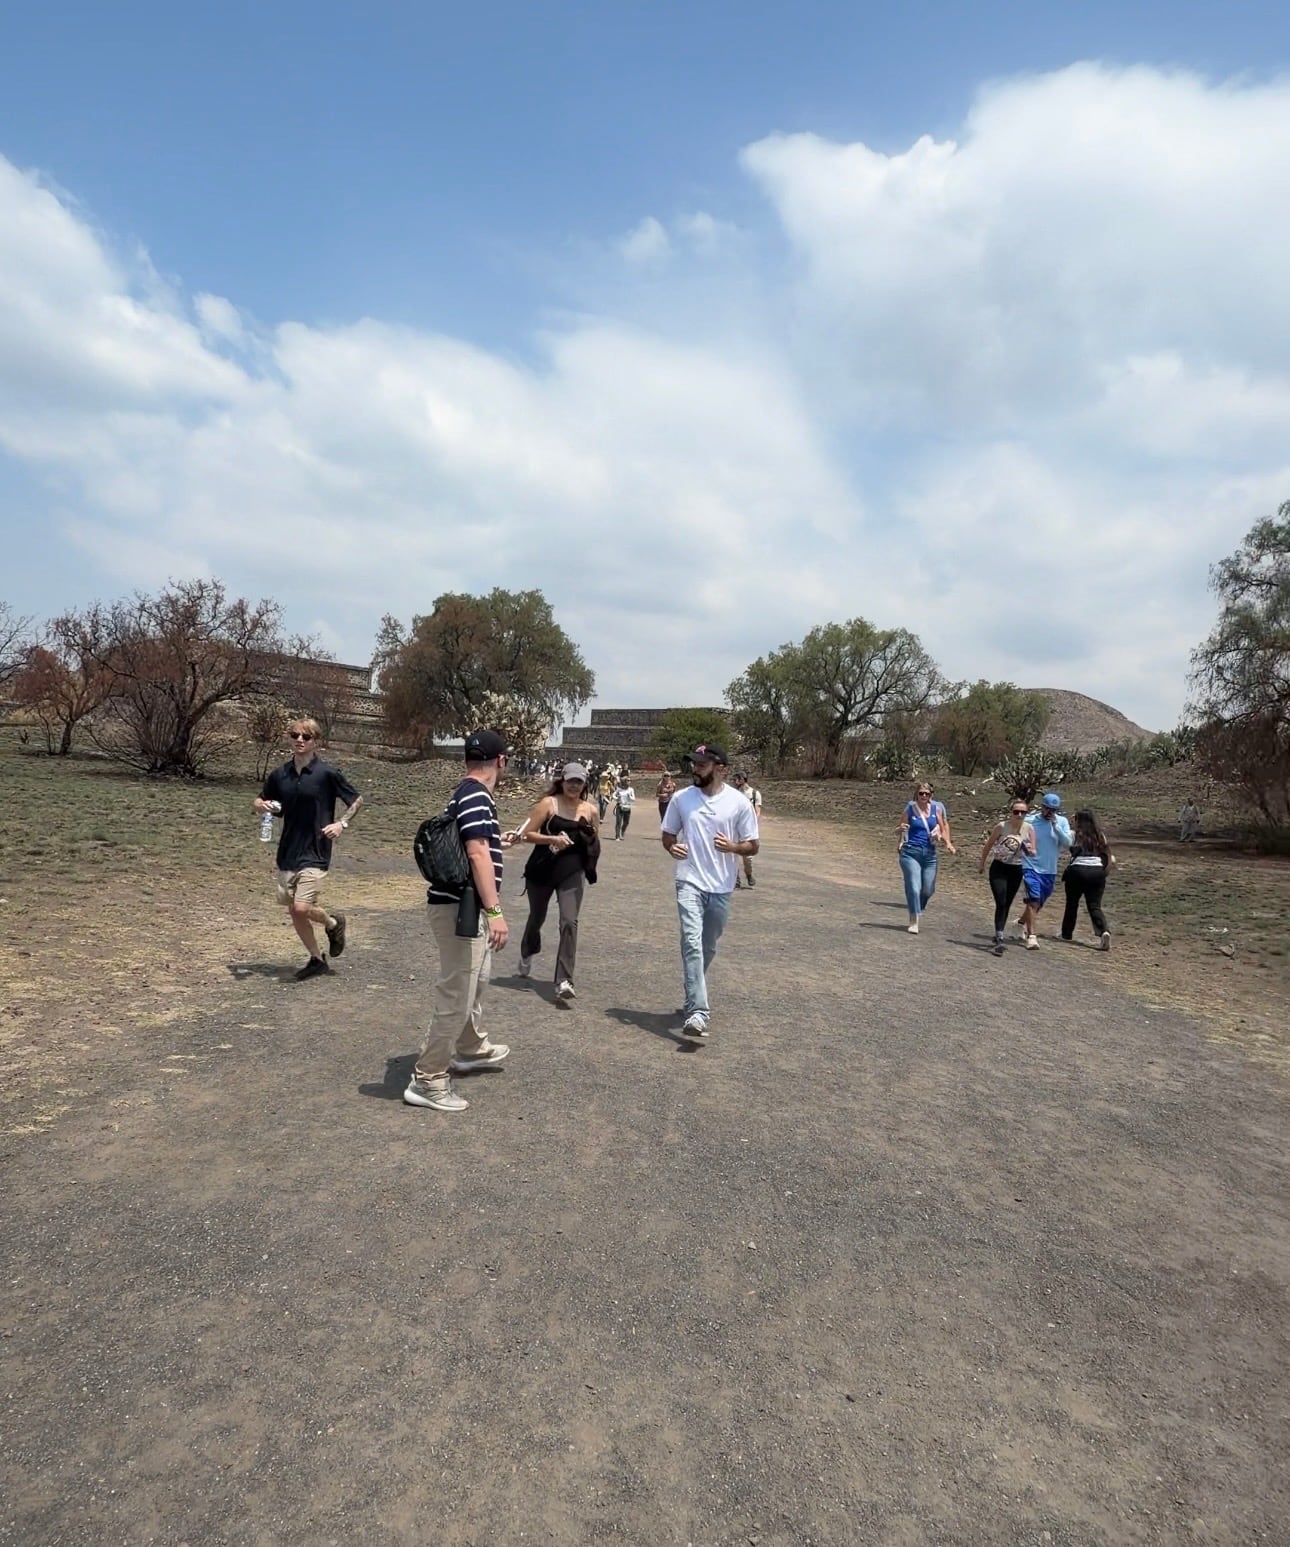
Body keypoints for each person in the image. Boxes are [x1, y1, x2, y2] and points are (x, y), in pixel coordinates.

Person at [404, 729, 516, 1113]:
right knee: (458, 992)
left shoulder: (464, 793)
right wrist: (496, 910)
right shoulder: (476, 796)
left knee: (477, 978)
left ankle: (470, 1046)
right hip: (460, 909)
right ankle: (429, 1078)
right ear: (501, 761)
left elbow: (480, 844)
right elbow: (477, 851)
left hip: (461, 907)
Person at [660, 743, 759, 1040]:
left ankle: (692, 994)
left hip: (722, 886)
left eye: (702, 765)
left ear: (721, 769)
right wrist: (671, 847)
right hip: (689, 879)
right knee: (691, 942)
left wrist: (733, 847)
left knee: (708, 946)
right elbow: (667, 835)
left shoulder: (738, 803)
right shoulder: (681, 799)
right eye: (694, 764)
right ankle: (699, 1012)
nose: (695, 769)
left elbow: (753, 845)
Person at [255, 717, 362, 981]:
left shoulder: (327, 774)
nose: (299, 740)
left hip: (316, 850)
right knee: (294, 909)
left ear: (316, 742)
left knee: (301, 908)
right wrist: (261, 806)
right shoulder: (280, 775)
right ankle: (320, 952)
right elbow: (260, 799)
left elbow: (357, 799)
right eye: (295, 735)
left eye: (306, 736)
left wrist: (341, 823)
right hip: (288, 852)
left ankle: (330, 926)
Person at [517, 762, 601, 1002]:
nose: (574, 786)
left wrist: (589, 866)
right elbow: (527, 834)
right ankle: (527, 950)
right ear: (562, 781)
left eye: (579, 782)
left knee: (569, 922)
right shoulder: (548, 804)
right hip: (542, 868)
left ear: (585, 784)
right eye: (570, 781)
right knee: (537, 917)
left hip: (571, 872)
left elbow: (594, 842)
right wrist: (551, 838)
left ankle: (564, 979)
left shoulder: (590, 810)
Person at [978, 799, 1037, 955]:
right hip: (999, 868)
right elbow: (988, 845)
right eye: (1016, 812)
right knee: (1001, 900)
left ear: (1026, 814)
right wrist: (982, 863)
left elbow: (1033, 851)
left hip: (1016, 869)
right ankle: (999, 937)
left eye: (1022, 812)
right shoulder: (1001, 827)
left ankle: (999, 933)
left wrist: (1030, 850)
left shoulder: (1029, 829)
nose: (1019, 815)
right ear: (1010, 812)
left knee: (1007, 903)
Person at [897, 781, 955, 934]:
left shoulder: (937, 810)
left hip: (930, 855)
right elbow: (900, 828)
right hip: (910, 853)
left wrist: (947, 843)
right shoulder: (910, 808)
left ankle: (918, 907)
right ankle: (914, 920)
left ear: (931, 795)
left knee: (928, 890)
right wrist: (900, 833)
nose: (923, 796)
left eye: (926, 794)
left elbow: (943, 828)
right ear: (917, 794)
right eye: (921, 793)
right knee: (914, 887)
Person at [1018, 792, 1073, 949]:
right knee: (1033, 900)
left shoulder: (1062, 822)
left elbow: (1068, 843)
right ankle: (1032, 936)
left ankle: (1021, 922)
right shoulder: (1030, 820)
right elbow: (1020, 837)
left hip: (1049, 869)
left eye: (1053, 810)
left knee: (1039, 902)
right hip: (1030, 866)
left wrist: (1056, 826)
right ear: (1042, 807)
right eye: (1047, 809)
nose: (1050, 812)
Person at [1061, 810, 1115, 950]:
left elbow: (1065, 843)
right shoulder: (1100, 836)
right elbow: (1108, 855)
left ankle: (1067, 934)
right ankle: (1104, 930)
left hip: (1077, 870)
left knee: (1072, 903)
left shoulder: (1074, 835)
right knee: (1094, 905)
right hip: (1097, 871)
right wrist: (1104, 872)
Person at [731, 772, 763, 888]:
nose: (734, 782)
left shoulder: (754, 794)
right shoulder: (734, 794)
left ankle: (748, 874)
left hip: (747, 829)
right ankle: (736, 878)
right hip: (735, 827)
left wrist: (753, 824)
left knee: (747, 857)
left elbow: (757, 811)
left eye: (736, 780)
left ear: (743, 779)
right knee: (733, 853)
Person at [613, 773, 636, 839]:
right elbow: (613, 795)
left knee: (626, 822)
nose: (629, 782)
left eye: (630, 780)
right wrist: (617, 799)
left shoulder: (631, 790)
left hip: (627, 807)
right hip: (620, 806)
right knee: (618, 822)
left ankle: (622, 831)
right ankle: (617, 836)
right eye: (628, 780)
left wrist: (630, 797)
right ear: (624, 781)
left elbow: (633, 799)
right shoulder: (619, 789)